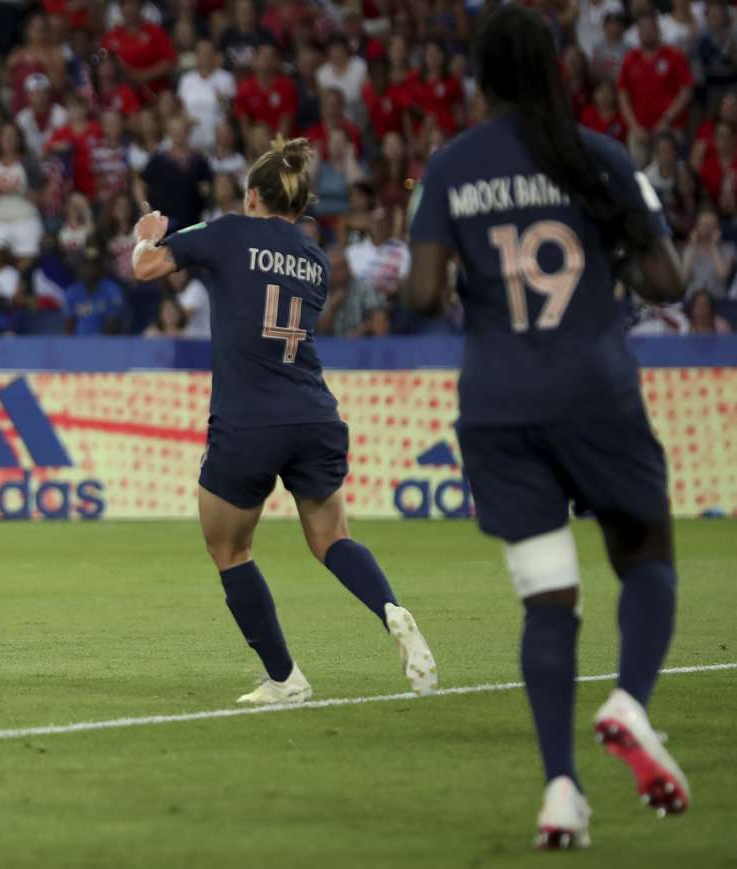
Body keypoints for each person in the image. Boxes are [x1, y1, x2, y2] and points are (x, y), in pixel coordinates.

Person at [404, 5, 689, 850]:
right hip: (594, 391)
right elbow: (669, 280)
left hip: (497, 405)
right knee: (646, 557)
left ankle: (560, 789)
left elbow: (421, 296)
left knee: (547, 600)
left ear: (480, 80)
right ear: (557, 67)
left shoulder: (450, 168)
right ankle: (630, 701)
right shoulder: (599, 156)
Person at [131, 135, 437, 707]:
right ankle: (391, 609)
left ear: (251, 195)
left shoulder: (227, 231)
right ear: (297, 207)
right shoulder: (315, 260)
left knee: (230, 550)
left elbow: (149, 268)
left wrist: (144, 234)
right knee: (332, 538)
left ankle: (284, 678)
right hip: (315, 413)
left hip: (248, 419)